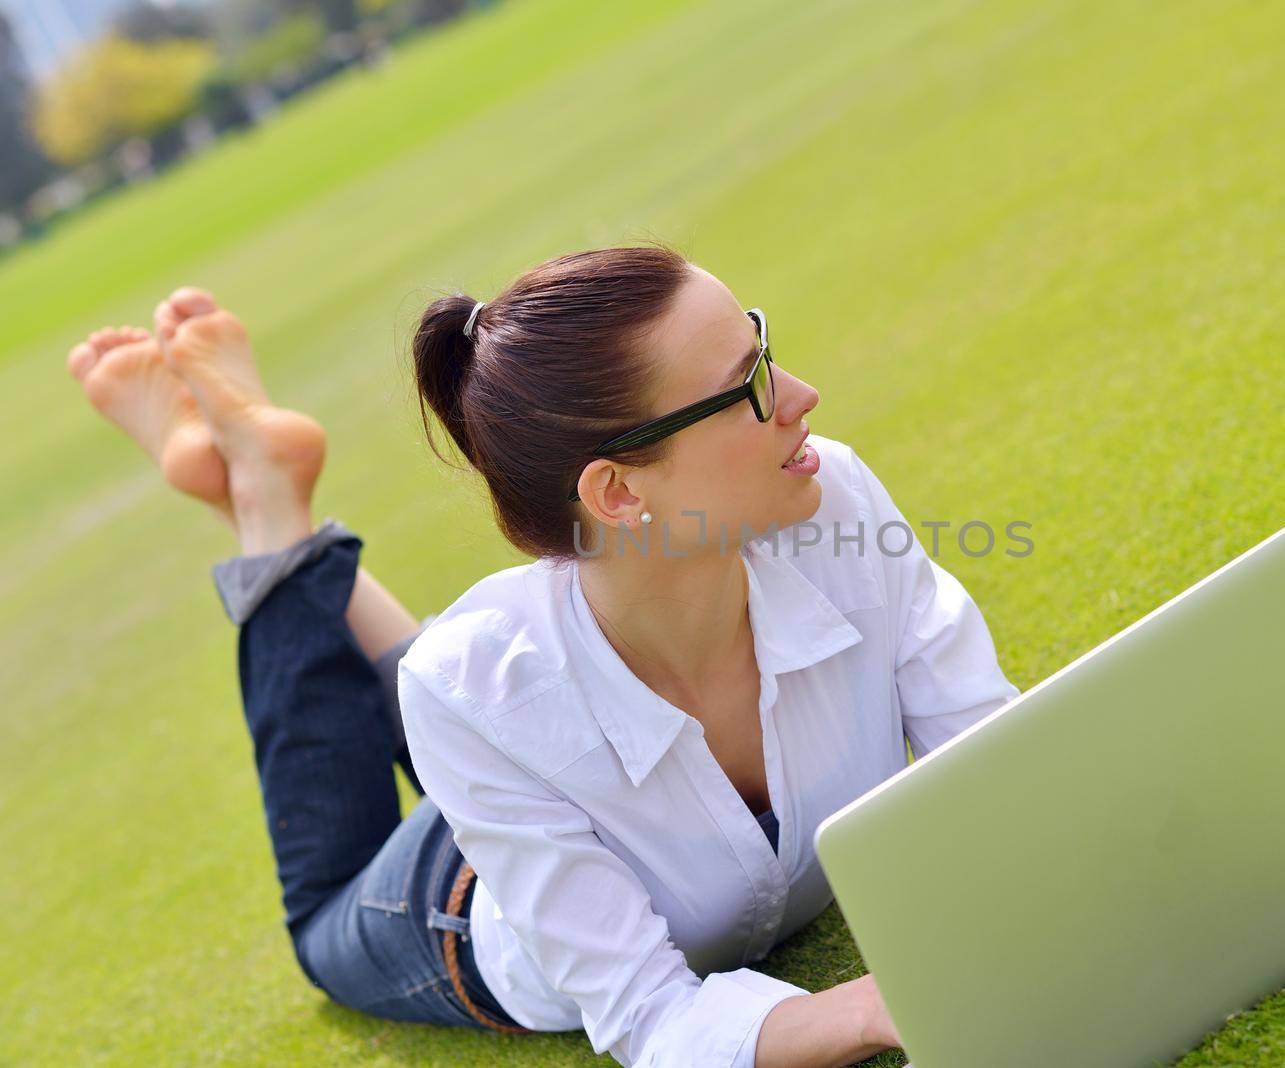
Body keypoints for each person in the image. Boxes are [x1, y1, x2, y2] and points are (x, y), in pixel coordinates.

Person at [68, 243, 1020, 1068]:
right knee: (327, 921)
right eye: (750, 385)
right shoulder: (474, 692)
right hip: (464, 896)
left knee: (476, 685)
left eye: (765, 347)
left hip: (507, 722)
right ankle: (271, 514)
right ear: (615, 491)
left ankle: (276, 508)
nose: (803, 398)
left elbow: (996, 761)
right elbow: (649, 1016)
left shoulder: (831, 501)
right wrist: (862, 1008)